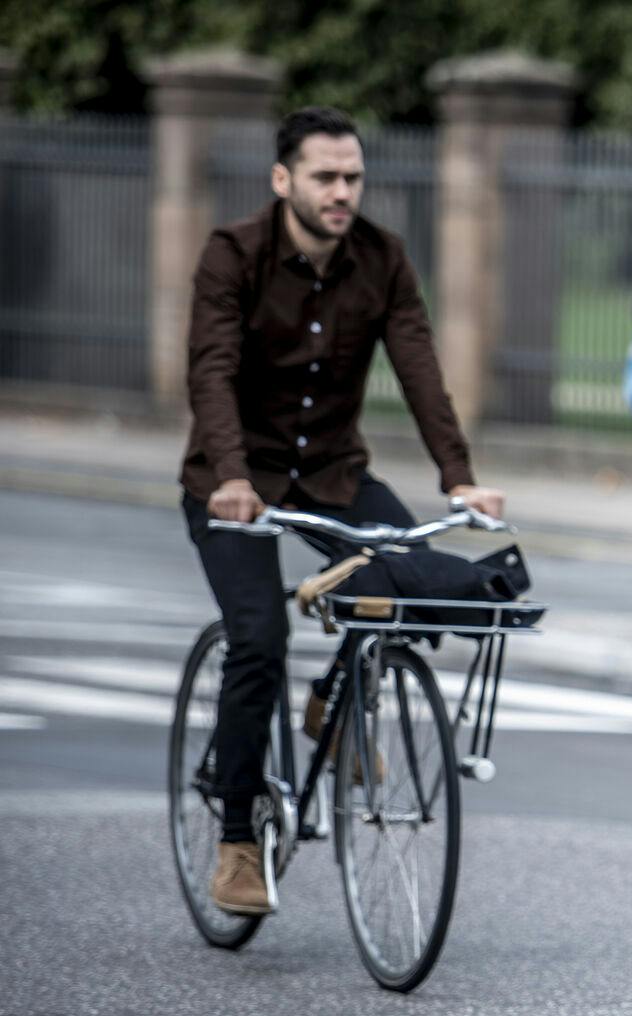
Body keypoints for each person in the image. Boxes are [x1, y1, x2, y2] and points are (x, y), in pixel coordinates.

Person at [179, 107, 504, 915]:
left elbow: (420, 366)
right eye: (325, 177)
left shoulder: (382, 258)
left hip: (330, 475)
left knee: (405, 579)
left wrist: (458, 478)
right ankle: (238, 841)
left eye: (352, 177)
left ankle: (334, 694)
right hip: (236, 483)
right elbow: (211, 370)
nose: (341, 192)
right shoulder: (234, 256)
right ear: (283, 179)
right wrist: (229, 473)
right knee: (258, 639)